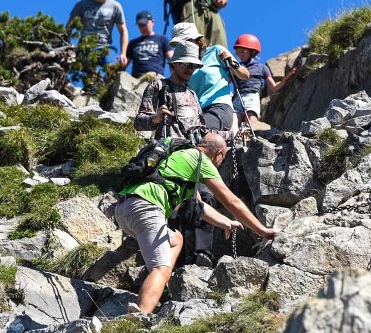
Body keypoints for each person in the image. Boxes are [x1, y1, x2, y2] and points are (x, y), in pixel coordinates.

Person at [115, 132, 278, 313]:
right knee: (159, 267)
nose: (220, 163)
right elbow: (231, 201)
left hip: (124, 208)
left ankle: (160, 287)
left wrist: (225, 223)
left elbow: (198, 206)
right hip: (147, 208)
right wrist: (261, 230)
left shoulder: (177, 156)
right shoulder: (201, 160)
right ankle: (137, 318)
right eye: (222, 159)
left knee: (176, 239)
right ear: (219, 154)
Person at [170, 22, 249, 134]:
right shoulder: (181, 64)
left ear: (196, 39)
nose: (181, 46)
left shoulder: (216, 51)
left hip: (219, 106)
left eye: (183, 41)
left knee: (198, 135)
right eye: (177, 44)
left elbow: (245, 75)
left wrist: (231, 62)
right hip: (196, 112)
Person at [134, 40, 208, 140]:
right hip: (168, 148)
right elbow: (138, 123)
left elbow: (203, 130)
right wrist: (155, 119)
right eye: (186, 64)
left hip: (192, 150)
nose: (190, 69)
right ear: (174, 64)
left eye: (194, 66)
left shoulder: (192, 93)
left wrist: (231, 135)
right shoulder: (158, 86)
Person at [66, 0, 129, 90]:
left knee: (112, 72)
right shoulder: (82, 4)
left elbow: (123, 31)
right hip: (86, 48)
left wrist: (123, 53)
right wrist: (68, 46)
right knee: (89, 80)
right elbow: (69, 27)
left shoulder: (115, 6)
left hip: (106, 48)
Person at [232, 34, 298, 126]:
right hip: (237, 97)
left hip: (251, 95)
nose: (240, 55)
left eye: (243, 51)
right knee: (234, 120)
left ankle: (251, 136)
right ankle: (233, 138)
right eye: (238, 53)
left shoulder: (261, 68)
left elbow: (274, 87)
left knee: (250, 118)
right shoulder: (236, 68)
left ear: (252, 52)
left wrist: (285, 79)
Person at [127, 10, 172, 78]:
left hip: (156, 77)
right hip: (136, 78)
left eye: (144, 24)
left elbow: (172, 59)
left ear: (152, 22)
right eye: (140, 25)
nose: (142, 27)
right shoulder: (133, 43)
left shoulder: (162, 39)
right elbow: (125, 63)